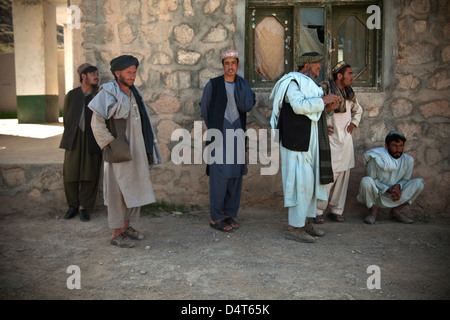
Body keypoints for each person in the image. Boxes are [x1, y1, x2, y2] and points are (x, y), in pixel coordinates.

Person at [89, 55, 162, 247]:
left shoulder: (135, 92)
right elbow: (96, 124)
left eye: (134, 72)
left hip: (137, 150)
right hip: (118, 151)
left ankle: (126, 227)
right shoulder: (108, 93)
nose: (132, 76)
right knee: (117, 192)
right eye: (128, 72)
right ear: (117, 73)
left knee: (134, 188)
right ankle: (116, 232)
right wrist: (112, 146)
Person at [270, 52, 342, 243]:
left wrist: (328, 108)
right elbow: (299, 107)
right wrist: (323, 101)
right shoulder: (292, 83)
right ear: (307, 65)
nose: (318, 73)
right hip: (296, 145)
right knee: (299, 186)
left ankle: (306, 222)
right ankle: (294, 228)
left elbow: (314, 114)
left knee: (310, 185)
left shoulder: (310, 87)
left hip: (310, 144)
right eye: (317, 68)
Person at [200, 49, 256, 232]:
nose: (230, 66)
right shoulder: (213, 85)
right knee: (219, 175)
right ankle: (216, 218)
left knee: (235, 175)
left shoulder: (242, 84)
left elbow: (248, 104)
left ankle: (228, 214)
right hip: (219, 134)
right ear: (223, 65)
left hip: (238, 133)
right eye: (227, 63)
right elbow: (205, 109)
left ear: (237, 64)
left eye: (233, 63)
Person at [315, 61, 363, 223]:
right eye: (349, 73)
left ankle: (336, 210)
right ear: (339, 75)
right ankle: (317, 211)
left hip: (346, 141)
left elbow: (358, 110)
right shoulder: (324, 90)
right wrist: (321, 126)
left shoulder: (349, 92)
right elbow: (314, 109)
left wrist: (354, 123)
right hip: (330, 140)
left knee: (343, 176)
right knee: (327, 177)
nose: (352, 77)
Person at [59, 63, 102, 222]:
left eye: (97, 73)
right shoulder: (72, 95)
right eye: (92, 74)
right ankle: (73, 205)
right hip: (74, 139)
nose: (96, 76)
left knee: (89, 173)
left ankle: (84, 207)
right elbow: (66, 119)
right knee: (70, 172)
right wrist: (71, 134)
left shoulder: (99, 94)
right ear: (83, 76)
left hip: (93, 138)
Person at [357, 131, 424, 224]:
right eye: (394, 146)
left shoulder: (408, 160)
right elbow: (373, 180)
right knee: (366, 181)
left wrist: (398, 187)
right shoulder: (376, 158)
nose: (398, 149)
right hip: (378, 195)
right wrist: (388, 190)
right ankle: (373, 211)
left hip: (396, 196)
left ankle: (396, 212)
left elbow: (405, 180)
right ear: (386, 146)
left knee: (419, 183)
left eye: (401, 146)